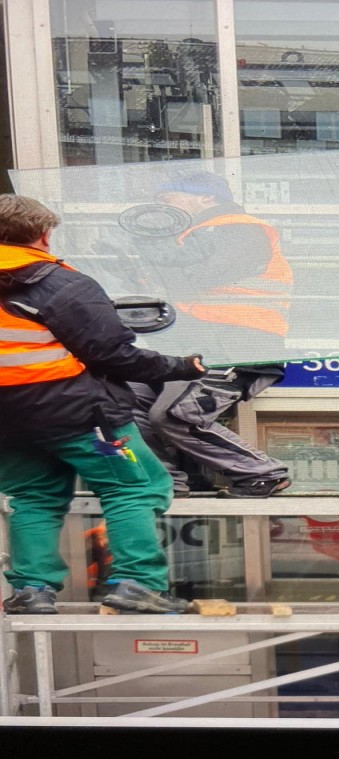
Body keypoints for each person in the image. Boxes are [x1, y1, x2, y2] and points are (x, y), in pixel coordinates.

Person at [0, 194, 207, 614]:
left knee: (34, 496)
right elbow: (114, 355)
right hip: (81, 420)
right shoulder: (60, 284)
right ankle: (138, 585)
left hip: (9, 424)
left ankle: (31, 591)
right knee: (135, 486)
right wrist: (182, 366)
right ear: (43, 235)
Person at [128, 172, 291, 498]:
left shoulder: (240, 229)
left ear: (207, 198)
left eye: (170, 195)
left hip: (238, 345)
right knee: (123, 401)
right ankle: (167, 481)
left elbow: (200, 277)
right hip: (195, 348)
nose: (162, 203)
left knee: (175, 416)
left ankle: (262, 473)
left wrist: (156, 257)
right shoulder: (190, 237)